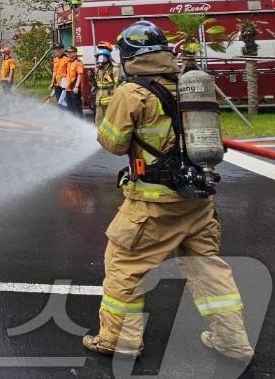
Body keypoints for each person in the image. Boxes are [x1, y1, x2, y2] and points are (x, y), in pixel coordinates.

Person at [84, 20, 253, 361]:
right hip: (198, 201)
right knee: (207, 268)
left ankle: (120, 341)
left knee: (124, 267)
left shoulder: (132, 93)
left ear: (128, 56)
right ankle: (233, 341)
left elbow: (114, 144)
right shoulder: (187, 84)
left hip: (153, 204)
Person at [92, 48, 121, 127]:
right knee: (99, 119)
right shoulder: (97, 70)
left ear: (108, 58)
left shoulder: (115, 69)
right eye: (99, 58)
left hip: (110, 100)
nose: (100, 60)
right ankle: (99, 135)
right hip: (99, 99)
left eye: (103, 58)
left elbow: (117, 86)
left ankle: (110, 137)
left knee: (111, 120)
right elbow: (97, 84)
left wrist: (109, 79)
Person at [63, 46, 85, 116]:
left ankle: (80, 123)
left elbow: (79, 75)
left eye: (70, 52)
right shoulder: (69, 62)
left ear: (75, 53)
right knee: (70, 107)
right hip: (68, 88)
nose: (68, 54)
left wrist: (76, 86)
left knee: (77, 108)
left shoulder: (78, 62)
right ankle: (72, 124)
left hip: (74, 88)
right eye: (68, 52)